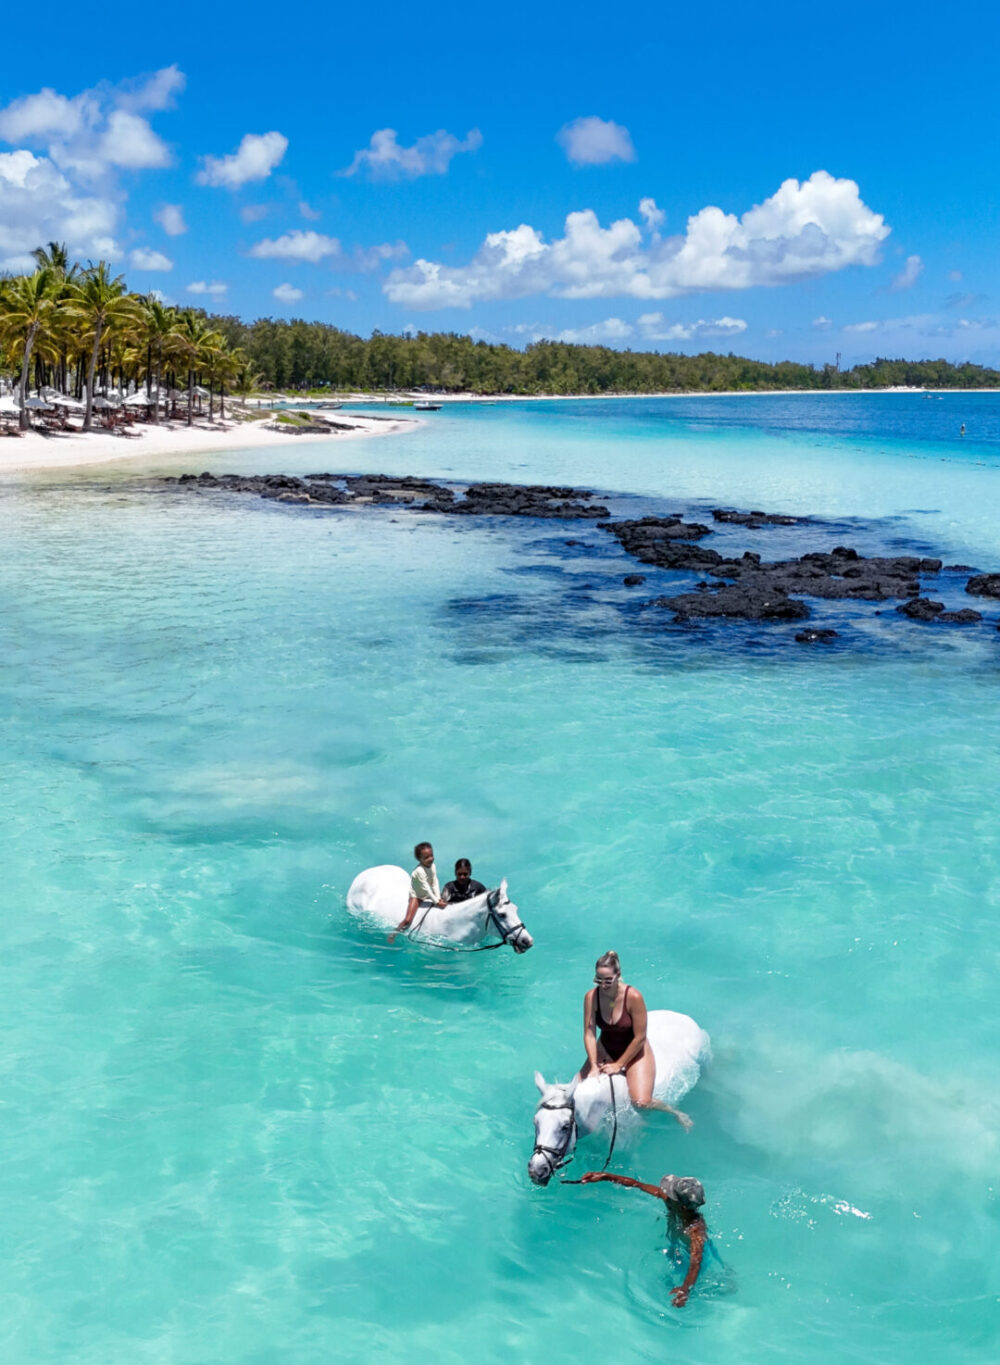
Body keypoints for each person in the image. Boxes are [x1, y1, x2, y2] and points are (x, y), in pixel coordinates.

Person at [579, 950, 693, 1130]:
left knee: (641, 1102)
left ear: (618, 975)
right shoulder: (591, 997)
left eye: (608, 980)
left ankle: (675, 1112)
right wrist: (593, 1065)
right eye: (598, 980)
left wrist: (618, 1065)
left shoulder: (634, 997)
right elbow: (589, 1032)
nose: (603, 985)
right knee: (575, 1092)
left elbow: (640, 1037)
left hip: (634, 1049)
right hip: (605, 1047)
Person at [579, 1170, 710, 1307]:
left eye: (671, 1194)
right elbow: (638, 1185)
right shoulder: (671, 1202)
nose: (665, 1193)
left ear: (682, 1206)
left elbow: (696, 1262)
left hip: (688, 1256)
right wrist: (607, 1176)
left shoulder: (695, 1231)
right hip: (675, 1245)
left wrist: (685, 1290)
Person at [390, 842, 446, 942]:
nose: (430, 859)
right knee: (408, 920)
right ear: (420, 860)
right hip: (417, 896)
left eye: (431, 855)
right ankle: (394, 933)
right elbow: (426, 888)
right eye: (426, 857)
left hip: (427, 894)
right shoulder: (419, 871)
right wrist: (436, 902)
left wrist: (438, 898)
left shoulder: (433, 866)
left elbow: (434, 882)